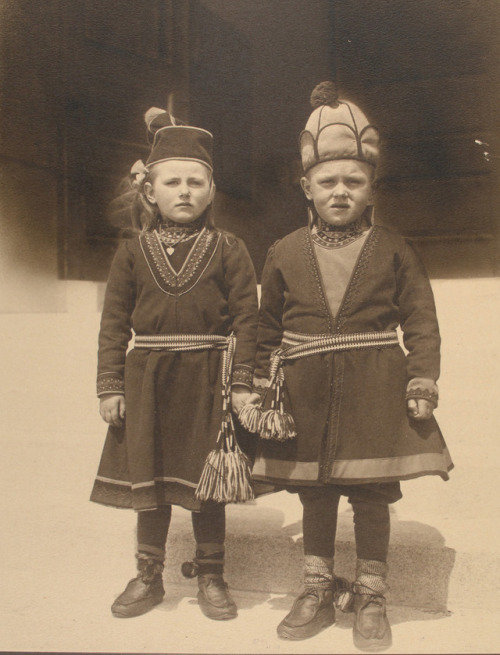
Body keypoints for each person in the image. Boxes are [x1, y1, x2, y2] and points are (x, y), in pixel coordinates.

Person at [240, 82, 453, 651]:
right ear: (306, 187)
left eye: (353, 182)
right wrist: (259, 383)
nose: (340, 192)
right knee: (315, 492)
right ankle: (315, 585)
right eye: (327, 182)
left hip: (375, 388)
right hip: (305, 393)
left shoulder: (395, 248)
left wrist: (421, 378)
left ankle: (371, 591)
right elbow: (265, 326)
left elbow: (422, 321)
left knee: (371, 492)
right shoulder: (284, 251)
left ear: (370, 188)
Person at [90, 107, 258, 621]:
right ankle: (149, 576)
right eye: (172, 181)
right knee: (151, 480)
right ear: (150, 191)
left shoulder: (229, 248)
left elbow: (248, 321)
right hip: (149, 380)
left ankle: (211, 575)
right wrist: (110, 385)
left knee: (208, 484)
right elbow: (114, 324)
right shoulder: (131, 252)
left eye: (195, 181)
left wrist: (241, 383)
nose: (184, 191)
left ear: (211, 191)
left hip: (210, 377)